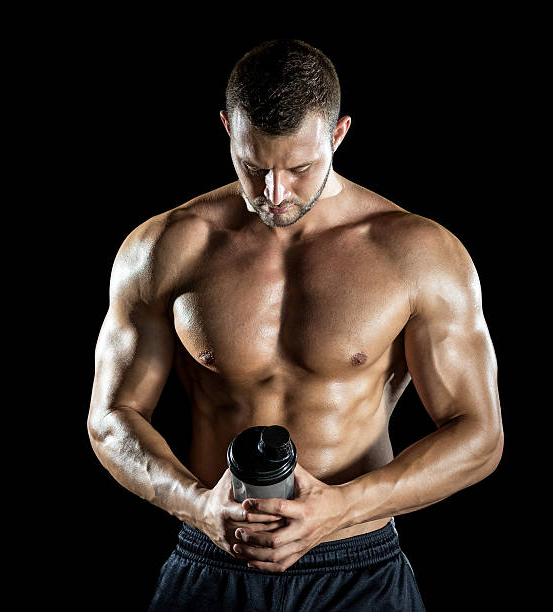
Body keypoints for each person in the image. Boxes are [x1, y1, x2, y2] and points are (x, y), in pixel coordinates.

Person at [87, 39, 503, 611]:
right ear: (227, 128)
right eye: (253, 167)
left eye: (300, 168)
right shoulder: (165, 247)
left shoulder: (416, 253)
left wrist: (344, 507)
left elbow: (480, 437)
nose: (274, 193)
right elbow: (110, 419)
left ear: (338, 135)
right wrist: (195, 505)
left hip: (358, 568)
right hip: (212, 555)